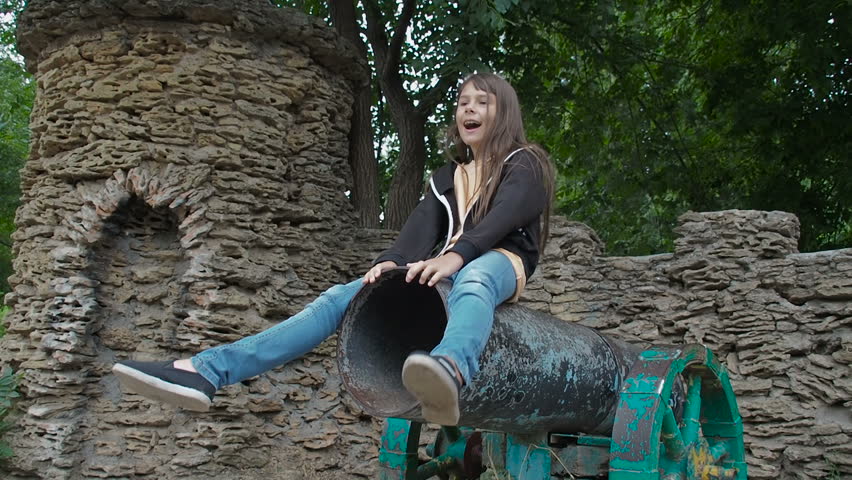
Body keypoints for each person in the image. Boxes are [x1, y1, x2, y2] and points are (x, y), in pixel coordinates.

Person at [113, 72, 556, 426]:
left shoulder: (525, 162)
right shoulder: (447, 177)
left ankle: (451, 370)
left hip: (498, 261)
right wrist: (388, 264)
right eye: (462, 103)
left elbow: (509, 213)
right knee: (339, 298)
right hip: (447, 265)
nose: (469, 110)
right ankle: (206, 371)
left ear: (504, 114)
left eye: (482, 102)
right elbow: (421, 227)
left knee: (475, 278)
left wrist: (458, 255)